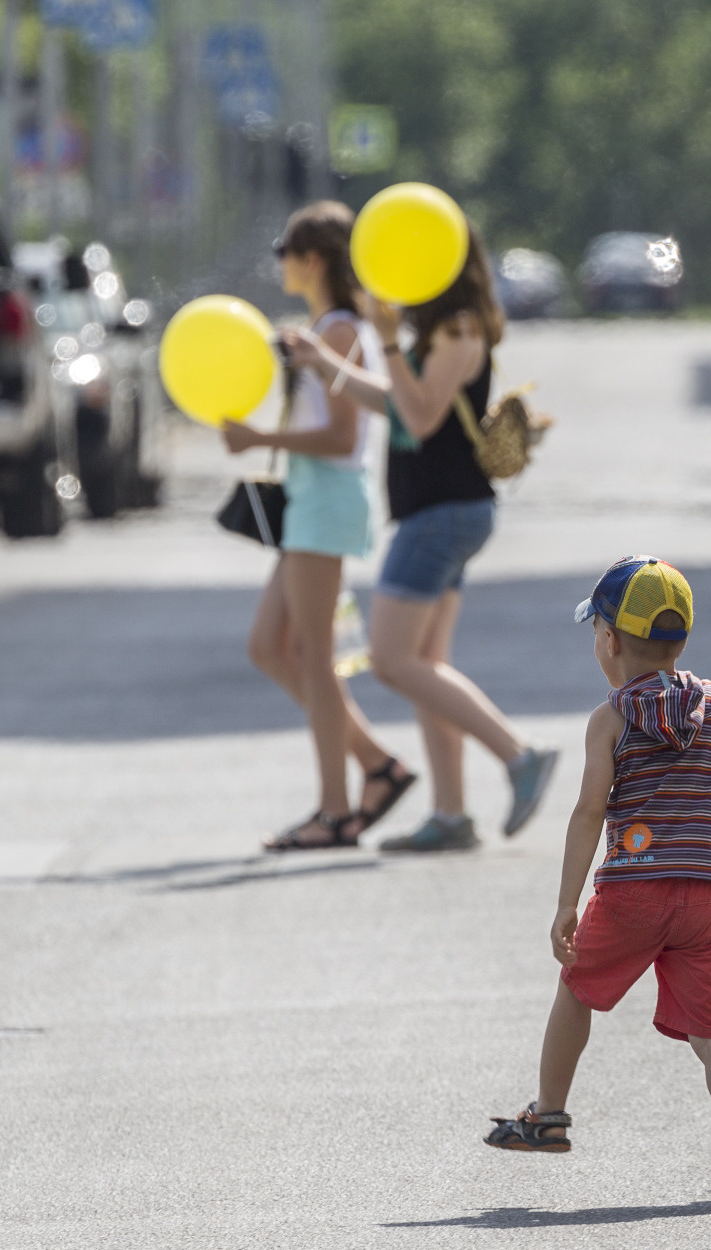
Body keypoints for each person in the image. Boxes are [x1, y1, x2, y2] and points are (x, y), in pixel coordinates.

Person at [485, 557, 711, 1205]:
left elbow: (590, 810)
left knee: (578, 990)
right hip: (710, 891)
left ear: (610, 640)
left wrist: (568, 902)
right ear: (680, 641)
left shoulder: (612, 720)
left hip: (634, 886)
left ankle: (548, 1114)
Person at [282, 242, 563, 852]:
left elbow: (421, 415)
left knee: (391, 659)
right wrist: (324, 362)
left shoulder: (459, 330)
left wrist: (384, 341)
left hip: (443, 514)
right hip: (439, 512)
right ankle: (451, 813)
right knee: (427, 662)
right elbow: (391, 403)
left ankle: (520, 757)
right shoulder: (437, 329)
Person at [225, 204, 414, 851]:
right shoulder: (326, 328)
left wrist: (258, 436)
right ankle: (378, 767)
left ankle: (335, 810)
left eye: (285, 249)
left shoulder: (338, 330)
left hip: (328, 496)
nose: (278, 260)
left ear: (311, 260)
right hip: (311, 496)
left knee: (313, 655)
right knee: (268, 647)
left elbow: (340, 435)